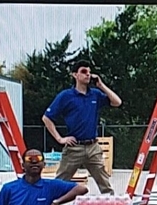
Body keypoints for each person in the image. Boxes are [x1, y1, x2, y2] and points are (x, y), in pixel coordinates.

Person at [42, 60, 121, 195]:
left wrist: (101, 85)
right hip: (74, 147)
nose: (88, 75)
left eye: (89, 72)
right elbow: (46, 118)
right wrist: (60, 138)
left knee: (106, 185)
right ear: (75, 75)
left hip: (92, 146)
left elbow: (117, 102)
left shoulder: (95, 94)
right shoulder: (66, 96)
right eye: (84, 72)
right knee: (59, 183)